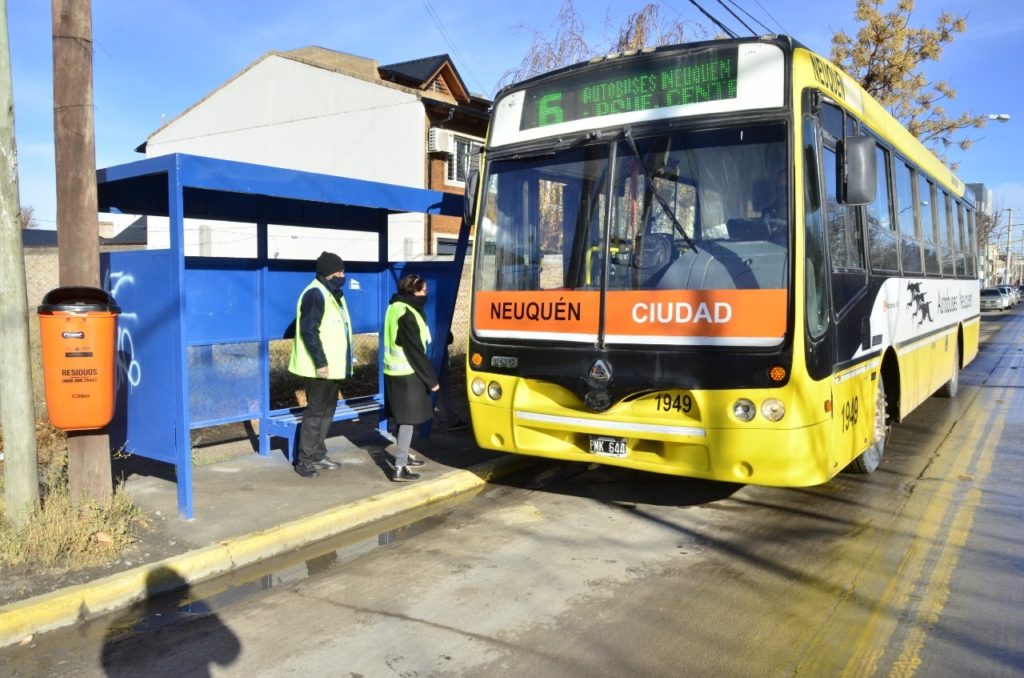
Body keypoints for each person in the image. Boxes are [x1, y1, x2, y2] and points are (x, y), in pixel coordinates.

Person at [287, 251, 354, 478]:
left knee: (327, 411)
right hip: (319, 368)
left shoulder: (333, 293)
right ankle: (304, 461)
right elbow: (308, 330)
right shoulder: (315, 293)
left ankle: (317, 453)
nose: (343, 275)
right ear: (329, 272)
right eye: (340, 271)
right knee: (315, 413)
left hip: (333, 368)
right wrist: (320, 362)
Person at [383, 273, 439, 482]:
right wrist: (431, 380)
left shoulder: (395, 307)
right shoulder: (407, 313)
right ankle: (399, 467)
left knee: (404, 418)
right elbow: (414, 350)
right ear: (412, 291)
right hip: (407, 374)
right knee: (407, 420)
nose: (426, 294)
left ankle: (404, 455)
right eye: (423, 291)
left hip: (395, 372)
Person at [435, 331, 469, 432]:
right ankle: (452, 419)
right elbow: (449, 338)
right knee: (445, 387)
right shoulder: (439, 320)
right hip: (439, 354)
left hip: (428, 356)